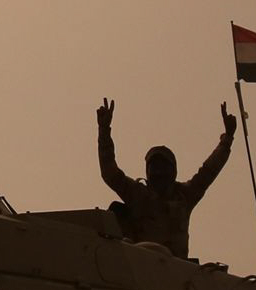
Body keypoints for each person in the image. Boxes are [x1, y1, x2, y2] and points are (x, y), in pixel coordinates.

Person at [96, 99, 235, 258]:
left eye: (164, 167)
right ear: (147, 171)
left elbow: (209, 171)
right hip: (142, 266)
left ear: (173, 171)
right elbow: (110, 172)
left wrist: (227, 140)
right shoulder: (138, 195)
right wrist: (104, 130)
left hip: (177, 272)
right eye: (154, 167)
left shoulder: (184, 196)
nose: (159, 172)